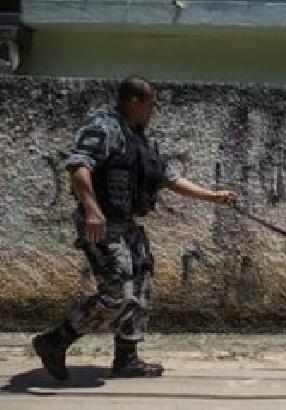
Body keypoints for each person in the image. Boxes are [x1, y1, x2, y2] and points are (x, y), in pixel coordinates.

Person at [32, 75, 236, 379]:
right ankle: (54, 341)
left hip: (126, 224)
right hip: (102, 222)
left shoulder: (139, 138)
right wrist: (92, 210)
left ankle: (127, 357)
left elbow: (168, 177)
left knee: (140, 286)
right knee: (118, 292)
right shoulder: (103, 127)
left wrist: (211, 196)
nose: (154, 110)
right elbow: (78, 167)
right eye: (151, 103)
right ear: (133, 101)